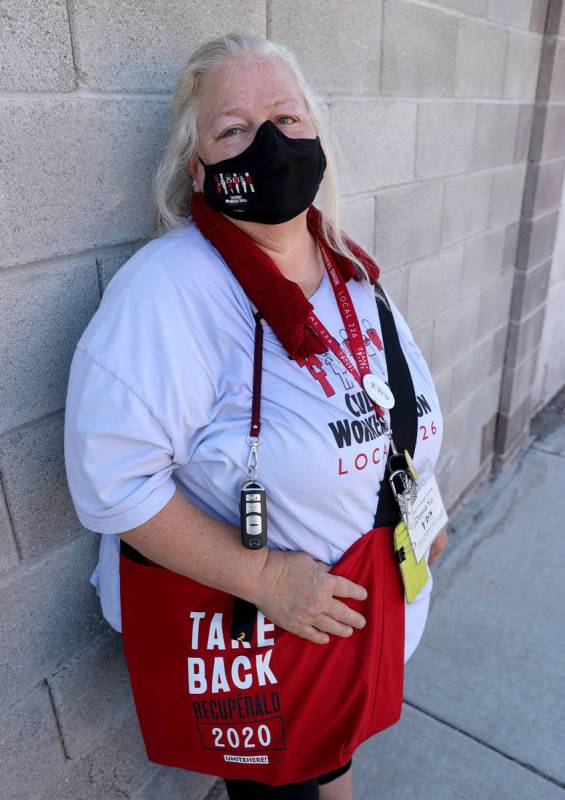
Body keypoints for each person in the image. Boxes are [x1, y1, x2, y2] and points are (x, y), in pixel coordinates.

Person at [64, 33, 448, 800]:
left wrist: (423, 511)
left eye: (286, 118)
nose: (270, 144)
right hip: (266, 643)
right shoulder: (170, 292)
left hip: (353, 627)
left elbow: (391, 414)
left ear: (317, 135)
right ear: (196, 168)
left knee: (331, 764)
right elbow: (112, 483)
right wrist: (267, 577)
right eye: (233, 130)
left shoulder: (347, 272)